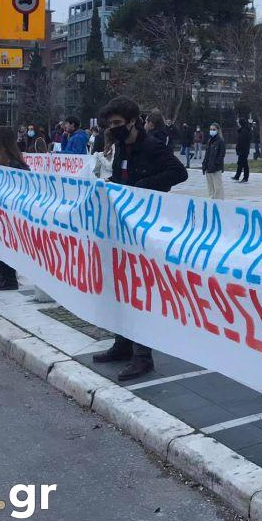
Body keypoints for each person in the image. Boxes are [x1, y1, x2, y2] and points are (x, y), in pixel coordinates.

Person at [92, 96, 188, 381]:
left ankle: (142, 356)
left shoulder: (152, 147)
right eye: (110, 125)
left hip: (146, 229)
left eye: (118, 124)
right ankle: (123, 344)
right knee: (121, 288)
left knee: (139, 292)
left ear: (133, 121)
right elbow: (124, 177)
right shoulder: (121, 146)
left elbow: (178, 172)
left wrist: (141, 188)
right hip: (123, 228)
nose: (114, 129)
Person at [0, 126, 29, 290]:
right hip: (11, 210)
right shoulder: (17, 160)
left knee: (2, 243)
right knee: (7, 243)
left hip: (2, 210)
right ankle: (4, 275)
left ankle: (7, 278)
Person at [202, 123, 226, 199]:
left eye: (214, 129)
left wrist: (216, 163)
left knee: (218, 187)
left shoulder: (220, 141)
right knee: (210, 187)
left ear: (218, 130)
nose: (212, 131)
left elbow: (221, 154)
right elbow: (207, 153)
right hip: (208, 167)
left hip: (216, 167)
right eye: (211, 129)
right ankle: (211, 200)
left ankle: (219, 201)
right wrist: (204, 164)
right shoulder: (209, 141)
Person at [232, 117, 251, 183]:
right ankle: (237, 176)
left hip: (243, 151)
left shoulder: (244, 131)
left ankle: (245, 177)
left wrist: (239, 149)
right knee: (241, 163)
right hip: (243, 150)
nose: (237, 124)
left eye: (238, 123)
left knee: (243, 164)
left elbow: (241, 142)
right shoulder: (243, 130)